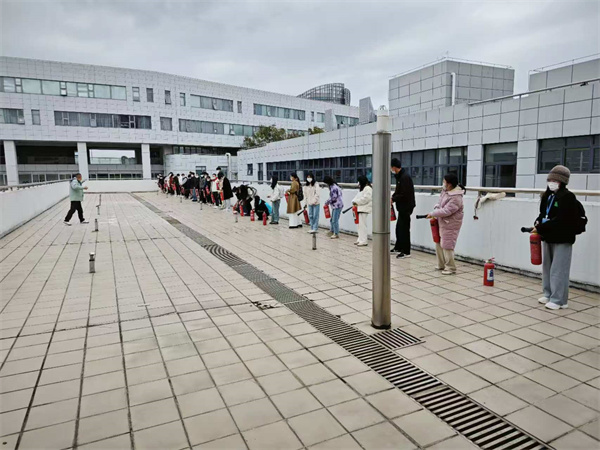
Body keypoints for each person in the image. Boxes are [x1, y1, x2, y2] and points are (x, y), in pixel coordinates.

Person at [533, 165, 581, 310]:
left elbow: (562, 219)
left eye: (555, 180)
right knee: (547, 267)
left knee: (559, 269)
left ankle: (559, 300)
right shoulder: (547, 196)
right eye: (550, 180)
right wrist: (538, 222)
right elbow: (543, 214)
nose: (551, 182)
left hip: (563, 237)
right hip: (548, 236)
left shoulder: (568, 197)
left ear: (562, 182)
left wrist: (541, 227)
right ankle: (548, 294)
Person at [426, 173, 465, 274]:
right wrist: (436, 208)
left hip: (451, 223)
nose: (443, 183)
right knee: (438, 242)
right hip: (442, 221)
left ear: (449, 184)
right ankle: (441, 264)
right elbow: (440, 203)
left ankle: (451, 267)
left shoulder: (456, 197)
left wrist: (433, 213)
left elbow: (447, 211)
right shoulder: (445, 191)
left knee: (447, 245)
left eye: (444, 181)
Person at [391, 157, 416, 258]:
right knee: (399, 228)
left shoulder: (404, 177)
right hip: (402, 207)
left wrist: (394, 199)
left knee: (404, 229)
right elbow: (398, 191)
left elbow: (404, 194)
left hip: (406, 206)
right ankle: (398, 247)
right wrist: (393, 197)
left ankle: (406, 251)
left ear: (394, 167)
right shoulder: (400, 176)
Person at [352, 176, 373, 246]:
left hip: (364, 209)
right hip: (360, 208)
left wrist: (356, 202)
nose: (358, 183)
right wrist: (354, 201)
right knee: (359, 225)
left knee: (362, 225)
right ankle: (360, 239)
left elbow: (366, 199)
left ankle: (363, 241)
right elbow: (358, 197)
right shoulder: (363, 188)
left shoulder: (368, 188)